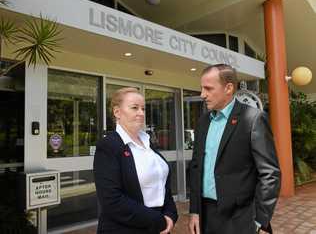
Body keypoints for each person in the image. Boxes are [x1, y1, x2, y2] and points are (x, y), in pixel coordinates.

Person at [188, 64, 281, 234]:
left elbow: (270, 174)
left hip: (242, 218)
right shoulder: (202, 122)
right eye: (202, 88)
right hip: (207, 215)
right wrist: (195, 211)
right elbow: (195, 167)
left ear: (229, 88)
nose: (202, 95)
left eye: (208, 88)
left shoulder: (253, 119)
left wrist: (261, 221)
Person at [94, 87, 178, 234]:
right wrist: (159, 220)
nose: (141, 113)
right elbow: (112, 201)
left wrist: (170, 214)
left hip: (158, 226)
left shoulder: (148, 142)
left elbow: (163, 185)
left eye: (143, 108)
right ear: (117, 112)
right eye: (134, 108)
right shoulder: (108, 145)